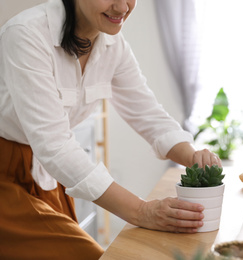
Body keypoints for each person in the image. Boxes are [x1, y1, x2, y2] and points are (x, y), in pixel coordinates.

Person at [0, 0, 222, 259]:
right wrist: (142, 211)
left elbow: (147, 113)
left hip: (45, 176)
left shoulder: (111, 45)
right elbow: (55, 146)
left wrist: (192, 157)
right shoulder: (27, 34)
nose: (122, 7)